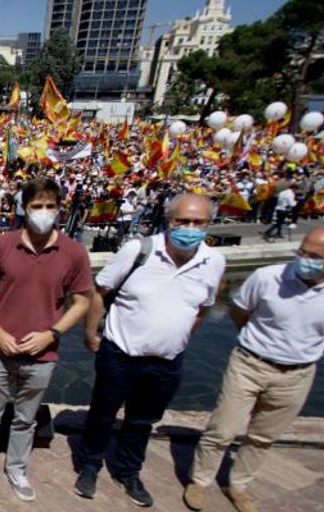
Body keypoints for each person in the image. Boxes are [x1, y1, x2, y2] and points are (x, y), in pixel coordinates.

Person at [184, 226, 324, 512]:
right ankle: (200, 480)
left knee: (264, 436)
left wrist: (309, 350)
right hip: (249, 363)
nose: (304, 259)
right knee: (222, 429)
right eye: (302, 251)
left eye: (315, 256)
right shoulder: (268, 277)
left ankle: (239, 485)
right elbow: (239, 312)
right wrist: (261, 343)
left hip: (298, 373)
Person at [75, 194, 226, 507]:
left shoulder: (214, 261)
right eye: (182, 221)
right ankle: (89, 465)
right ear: (169, 220)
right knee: (102, 414)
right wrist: (91, 334)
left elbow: (202, 308)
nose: (189, 228)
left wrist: (180, 338)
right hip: (120, 353)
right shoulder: (138, 250)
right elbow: (100, 291)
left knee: (142, 421)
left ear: (209, 224)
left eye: (198, 222)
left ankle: (129, 472)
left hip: (166, 361)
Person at [0, 178, 92, 502]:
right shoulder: (1, 245)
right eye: (36, 206)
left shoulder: (74, 252)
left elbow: (82, 302)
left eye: (50, 206)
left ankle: (16, 469)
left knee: (26, 419)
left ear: (59, 209)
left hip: (43, 353)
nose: (43, 212)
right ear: (24, 208)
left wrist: (51, 334)